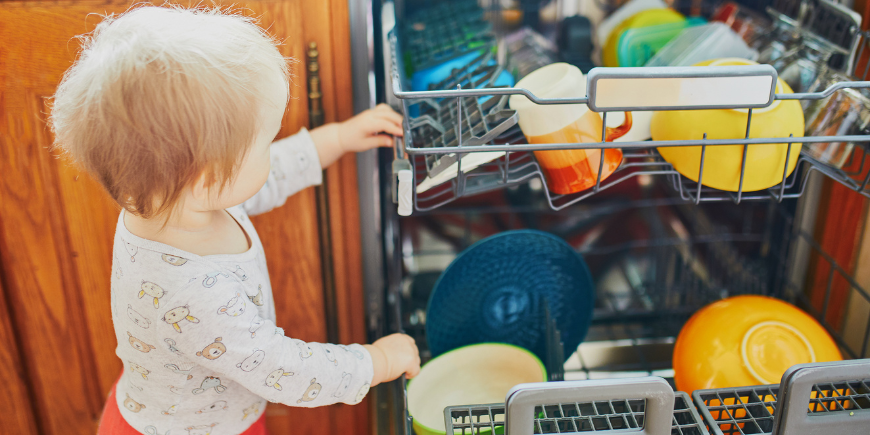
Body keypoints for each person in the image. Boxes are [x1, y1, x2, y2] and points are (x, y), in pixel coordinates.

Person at [48, 5, 420, 434]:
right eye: (264, 143)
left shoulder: (169, 197)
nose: (268, 151)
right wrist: (376, 362)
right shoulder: (190, 294)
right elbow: (283, 368)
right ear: (208, 179)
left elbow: (264, 176)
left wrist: (335, 139)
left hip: (186, 414)